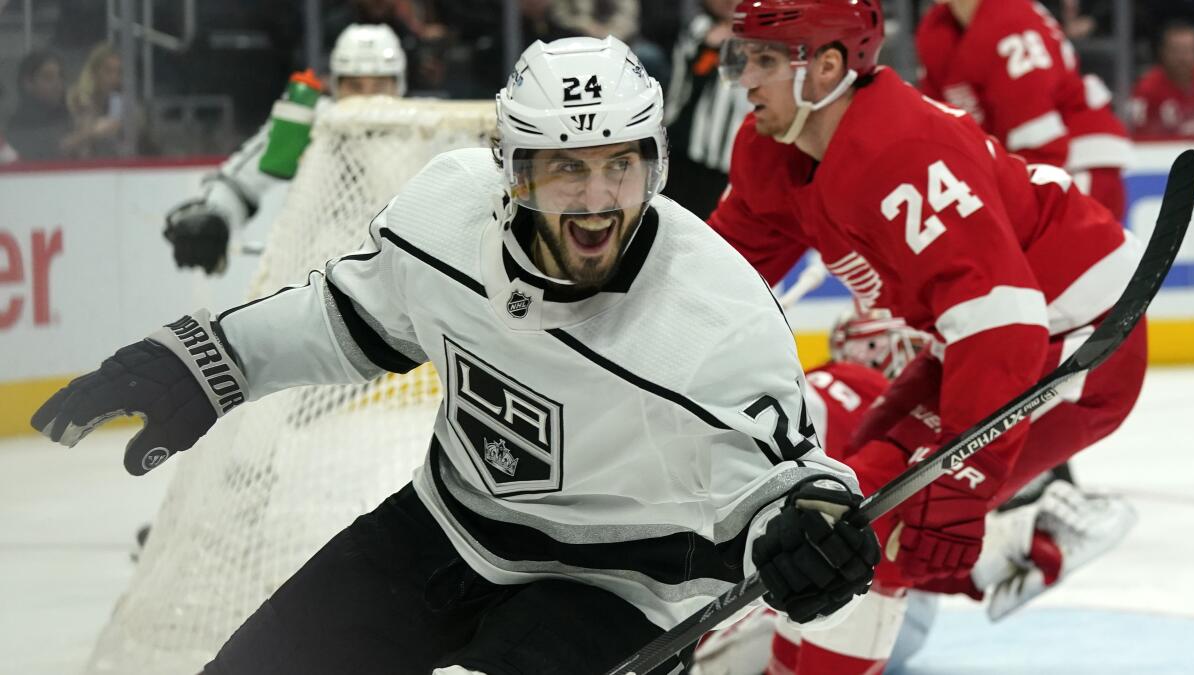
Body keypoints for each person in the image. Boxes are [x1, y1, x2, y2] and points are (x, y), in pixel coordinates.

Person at [31, 36, 879, 675]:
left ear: (653, 165)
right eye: (563, 170)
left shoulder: (720, 317)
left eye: (620, 166)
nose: (595, 201)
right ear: (510, 171)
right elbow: (344, 319)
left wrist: (813, 538)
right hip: (442, 526)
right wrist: (204, 364)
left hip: (620, 588)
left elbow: (790, 482)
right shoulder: (447, 215)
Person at [708, 1, 1147, 672]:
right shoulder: (776, 146)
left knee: (873, 525)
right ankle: (1017, 536)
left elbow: (1006, 323)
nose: (745, 78)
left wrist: (965, 482)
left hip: (1078, 343)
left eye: (766, 60)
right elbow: (715, 276)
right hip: (984, 338)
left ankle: (1011, 533)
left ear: (826, 68)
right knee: (844, 499)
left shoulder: (899, 150)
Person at [163, 24, 407, 277]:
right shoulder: (308, 121)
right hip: (316, 276)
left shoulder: (429, 130)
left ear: (398, 86)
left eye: (379, 85)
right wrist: (215, 216)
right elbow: (240, 181)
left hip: (394, 280)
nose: (366, 99)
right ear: (335, 85)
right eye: (355, 86)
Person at [915, 0, 1132, 220]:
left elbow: (1042, 143)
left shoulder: (1012, 22)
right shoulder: (935, 27)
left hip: (1077, 164)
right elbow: (941, 124)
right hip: (1023, 167)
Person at [661, 0, 752, 219]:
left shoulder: (756, 40)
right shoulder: (697, 28)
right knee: (667, 216)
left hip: (719, 155)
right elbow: (678, 85)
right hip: (679, 140)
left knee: (705, 224)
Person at [65, 41, 154, 158]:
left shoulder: (124, 101)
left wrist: (125, 125)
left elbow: (141, 132)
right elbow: (62, 144)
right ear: (93, 72)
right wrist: (92, 133)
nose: (114, 78)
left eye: (119, 72)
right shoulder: (74, 100)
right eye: (108, 71)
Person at [6, 50, 81, 161]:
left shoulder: (66, 115)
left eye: (60, 77)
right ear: (28, 83)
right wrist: (87, 134)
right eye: (48, 78)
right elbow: (50, 152)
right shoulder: (19, 125)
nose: (58, 84)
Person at [1131, 21, 1194, 140]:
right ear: (1163, 52)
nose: (1182, 58)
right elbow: (1140, 139)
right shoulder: (1147, 88)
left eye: (1188, 50)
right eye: (1176, 51)